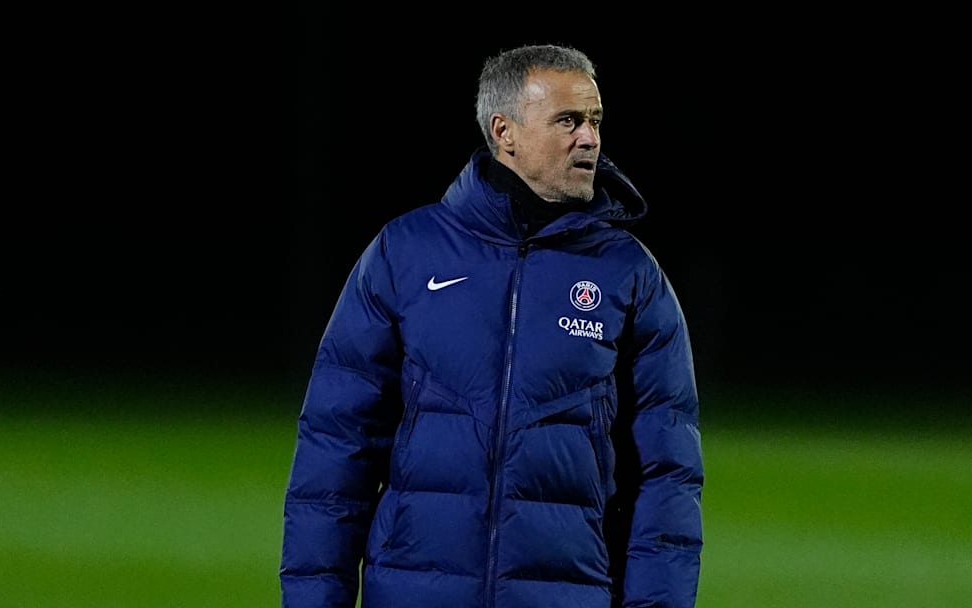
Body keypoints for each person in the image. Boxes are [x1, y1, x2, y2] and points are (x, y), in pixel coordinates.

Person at [281, 43, 704, 608]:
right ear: (505, 132)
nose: (590, 139)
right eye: (568, 121)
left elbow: (667, 477)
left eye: (596, 121)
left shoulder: (629, 275)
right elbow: (335, 451)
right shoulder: (405, 255)